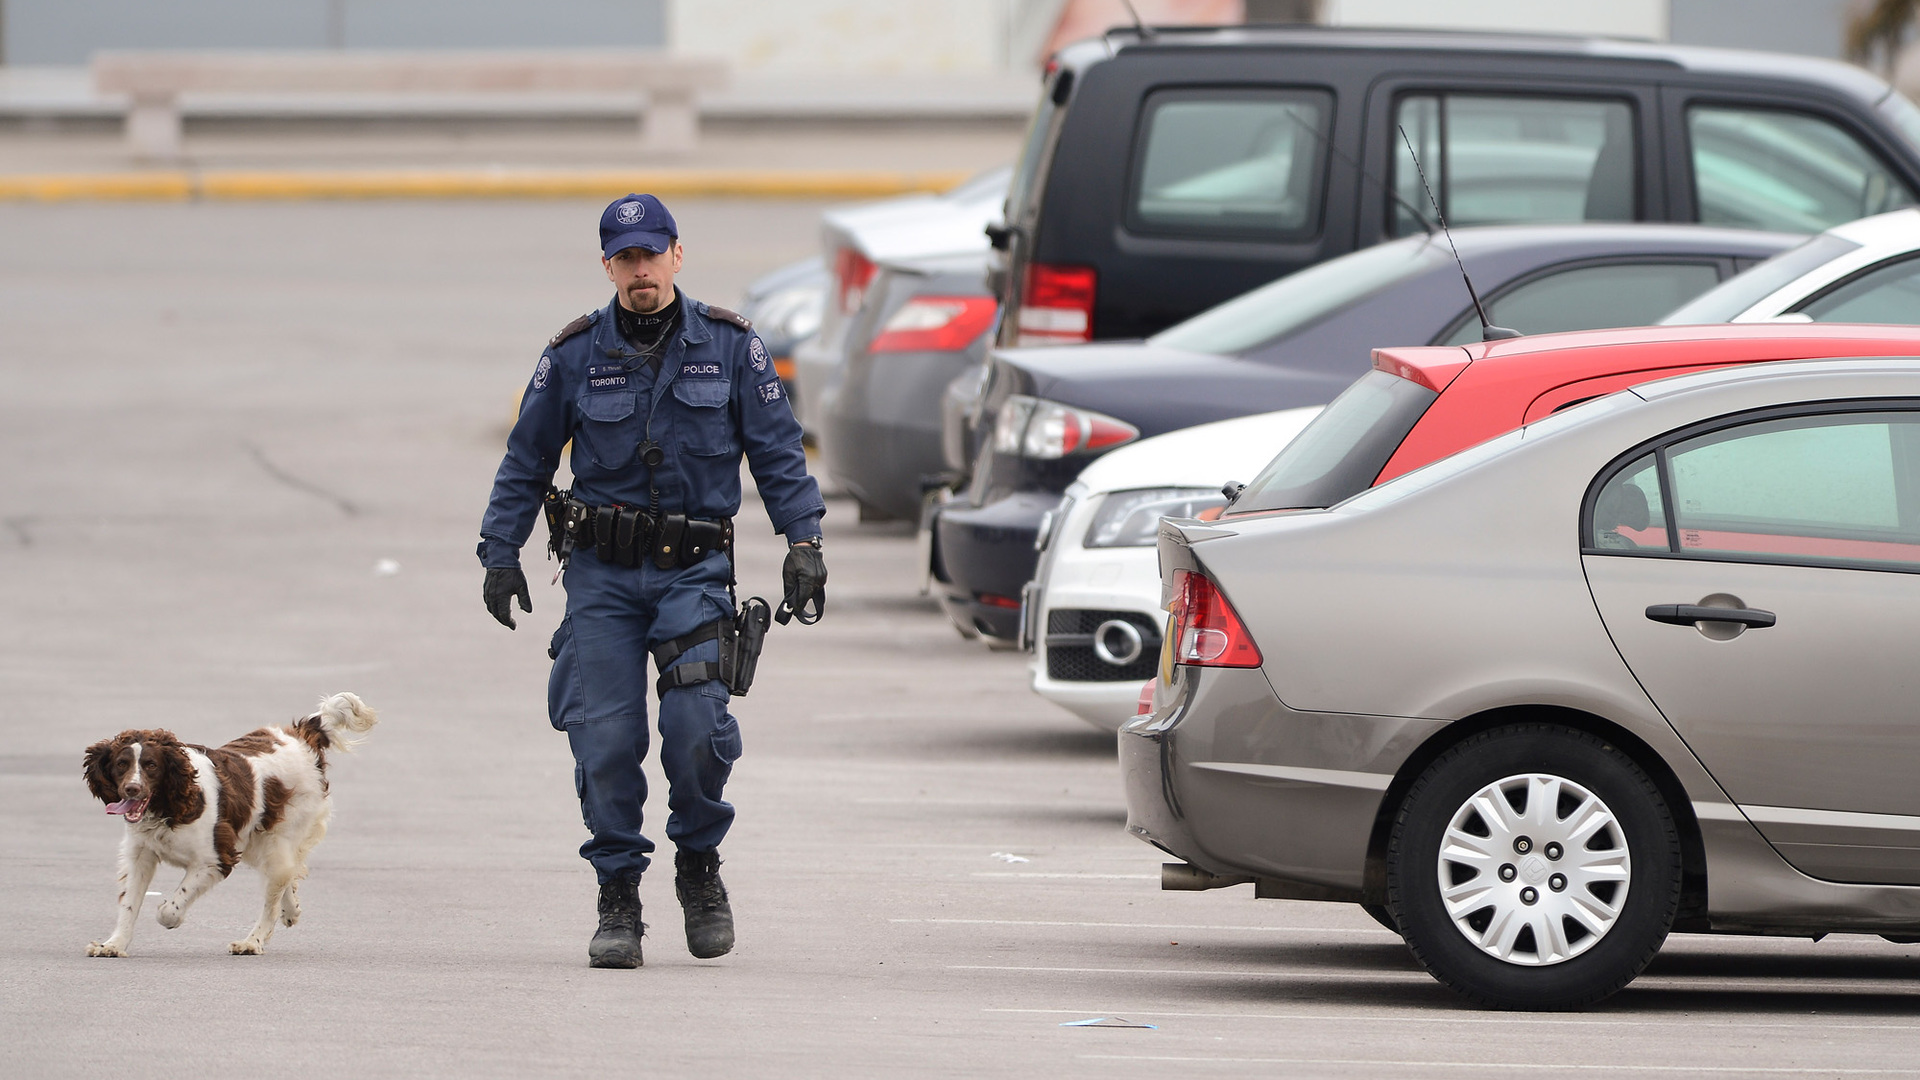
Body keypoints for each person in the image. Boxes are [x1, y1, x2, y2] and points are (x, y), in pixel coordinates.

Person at [477, 193, 827, 969]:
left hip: (693, 575)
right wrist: (499, 549)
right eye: (625, 258)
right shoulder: (573, 354)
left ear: (677, 254)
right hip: (600, 579)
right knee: (605, 741)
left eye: (652, 254)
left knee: (696, 731)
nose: (641, 271)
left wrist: (804, 541)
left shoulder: (734, 347)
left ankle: (699, 867)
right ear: (608, 265)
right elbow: (526, 459)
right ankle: (618, 897)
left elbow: (777, 452)